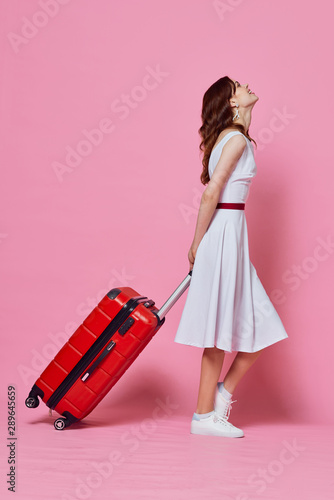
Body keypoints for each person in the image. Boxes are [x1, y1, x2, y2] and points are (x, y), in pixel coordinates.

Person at [174, 76, 288, 438]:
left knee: (260, 323)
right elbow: (211, 195)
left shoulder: (233, 138)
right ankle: (203, 416)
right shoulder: (236, 138)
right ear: (232, 104)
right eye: (239, 86)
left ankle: (220, 396)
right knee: (219, 327)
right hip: (223, 232)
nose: (246, 85)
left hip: (232, 233)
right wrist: (197, 243)